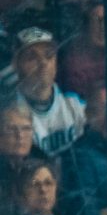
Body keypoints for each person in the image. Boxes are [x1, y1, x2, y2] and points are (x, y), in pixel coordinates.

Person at [0, 25, 84, 156]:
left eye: (48, 55)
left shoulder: (75, 105)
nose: (43, 63)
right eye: (32, 57)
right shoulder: (8, 112)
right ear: (16, 64)